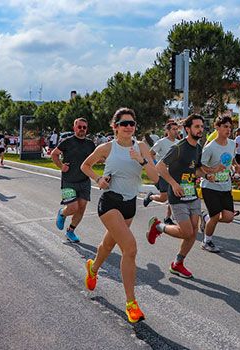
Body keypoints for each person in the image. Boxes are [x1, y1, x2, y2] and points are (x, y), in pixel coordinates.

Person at [80, 107, 158, 323]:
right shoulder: (107, 148)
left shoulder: (141, 147)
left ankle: (93, 268)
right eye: (124, 123)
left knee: (108, 246)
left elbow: (155, 176)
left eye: (132, 123)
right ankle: (131, 303)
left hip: (129, 204)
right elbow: (85, 165)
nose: (129, 127)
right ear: (114, 127)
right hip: (110, 202)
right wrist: (98, 179)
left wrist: (141, 160)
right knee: (130, 248)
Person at [147, 114, 211, 279]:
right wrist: (173, 184)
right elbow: (160, 166)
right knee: (186, 232)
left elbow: (194, 170)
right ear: (187, 129)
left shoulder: (198, 147)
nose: (200, 130)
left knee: (193, 232)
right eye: (197, 126)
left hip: (192, 195)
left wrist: (206, 173)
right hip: (177, 196)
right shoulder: (178, 148)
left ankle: (177, 263)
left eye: (202, 127)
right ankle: (158, 227)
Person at [51, 118, 96, 243]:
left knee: (82, 207)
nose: (82, 129)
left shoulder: (90, 144)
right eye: (79, 127)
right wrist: (61, 166)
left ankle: (70, 231)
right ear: (74, 128)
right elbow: (54, 154)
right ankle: (62, 213)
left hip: (84, 181)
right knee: (72, 208)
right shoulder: (67, 142)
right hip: (68, 182)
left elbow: (98, 157)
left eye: (84, 127)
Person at [199, 116, 237, 253]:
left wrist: (236, 166)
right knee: (215, 216)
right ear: (217, 128)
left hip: (226, 186)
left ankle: (206, 217)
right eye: (225, 126)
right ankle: (207, 241)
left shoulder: (232, 144)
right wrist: (213, 171)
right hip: (210, 186)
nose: (228, 129)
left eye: (230, 127)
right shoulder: (210, 147)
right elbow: (200, 167)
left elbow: (232, 159)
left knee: (228, 217)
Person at [144, 122, 179, 225]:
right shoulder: (161, 142)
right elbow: (151, 154)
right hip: (163, 173)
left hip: (175, 174)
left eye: (177, 129)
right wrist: (156, 165)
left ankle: (167, 218)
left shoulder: (179, 142)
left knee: (173, 196)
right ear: (167, 131)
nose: (176, 131)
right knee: (164, 198)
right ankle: (150, 196)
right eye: (173, 129)